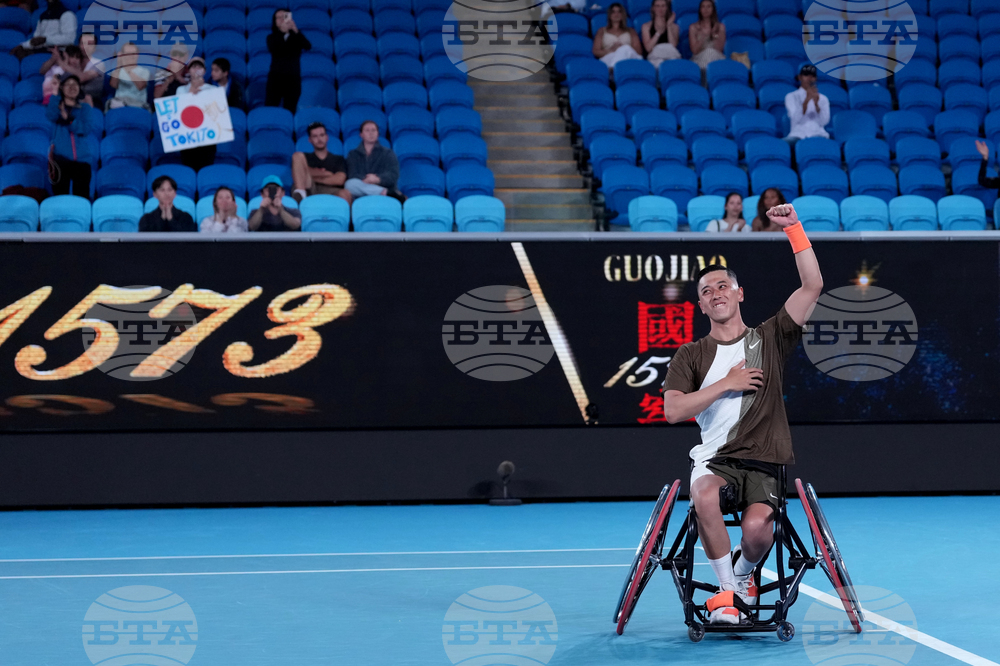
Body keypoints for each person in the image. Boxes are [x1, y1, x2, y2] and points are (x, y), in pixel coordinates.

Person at [661, 202, 823, 625]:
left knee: (756, 533)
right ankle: (728, 594)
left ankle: (743, 572)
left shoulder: (770, 338)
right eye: (706, 292)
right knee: (704, 495)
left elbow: (812, 286)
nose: (715, 294)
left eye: (722, 286)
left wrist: (794, 230)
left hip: (766, 462)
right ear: (701, 306)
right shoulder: (691, 354)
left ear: (739, 293)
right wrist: (725, 385)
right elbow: (674, 409)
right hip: (715, 461)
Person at [47, 75, 93, 197]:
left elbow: (84, 129)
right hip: (61, 159)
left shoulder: (85, 108)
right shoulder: (57, 106)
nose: (72, 87)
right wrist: (55, 93)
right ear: (62, 87)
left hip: (82, 160)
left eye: (75, 84)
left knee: (82, 198)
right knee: (60, 197)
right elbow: (51, 115)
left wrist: (68, 119)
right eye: (68, 84)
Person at [292, 122, 352, 205]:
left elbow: (339, 180)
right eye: (315, 136)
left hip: (331, 190)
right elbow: (297, 174)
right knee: (297, 155)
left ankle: (343, 218)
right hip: (309, 187)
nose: (319, 139)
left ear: (327, 137)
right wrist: (326, 174)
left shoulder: (338, 159)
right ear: (310, 140)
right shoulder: (304, 158)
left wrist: (312, 174)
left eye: (322, 135)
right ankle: (301, 196)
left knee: (345, 194)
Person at [175, 57, 217, 172]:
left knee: (206, 169)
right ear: (189, 71)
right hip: (188, 137)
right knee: (189, 169)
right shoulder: (181, 90)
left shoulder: (213, 90)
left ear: (204, 71)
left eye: (199, 66)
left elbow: (215, 113)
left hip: (207, 138)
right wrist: (193, 89)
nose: (197, 69)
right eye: (194, 67)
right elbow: (180, 110)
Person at [345, 121, 404, 202]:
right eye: (367, 130)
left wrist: (377, 179)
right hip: (361, 192)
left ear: (378, 133)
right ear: (361, 134)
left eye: (373, 130)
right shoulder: (353, 154)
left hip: (382, 188)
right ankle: (384, 192)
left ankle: (382, 192)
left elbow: (393, 175)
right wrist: (368, 180)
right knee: (349, 184)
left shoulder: (388, 153)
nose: (371, 133)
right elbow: (353, 174)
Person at [266, 9, 311, 113]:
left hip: (293, 79)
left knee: (290, 109)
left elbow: (308, 46)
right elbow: (277, 50)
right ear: (275, 21)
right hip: (276, 78)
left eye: (284, 16)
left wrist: (295, 30)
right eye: (278, 17)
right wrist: (283, 32)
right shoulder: (271, 37)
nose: (282, 19)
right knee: (270, 107)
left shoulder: (297, 37)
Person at [11, 0, 76, 59]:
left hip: (59, 52)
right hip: (40, 50)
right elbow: (36, 39)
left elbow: (69, 39)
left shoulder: (67, 14)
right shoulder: (43, 16)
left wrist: (45, 39)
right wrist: (23, 45)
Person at [784, 64, 830, 145]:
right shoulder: (791, 96)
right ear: (800, 77)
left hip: (818, 134)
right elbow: (795, 119)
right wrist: (806, 101)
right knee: (780, 145)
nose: (809, 79)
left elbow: (824, 122)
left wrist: (816, 105)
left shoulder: (823, 98)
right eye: (806, 75)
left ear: (815, 79)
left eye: (812, 76)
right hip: (797, 135)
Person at [592, 3, 643, 70]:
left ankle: (614, 70)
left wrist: (621, 48)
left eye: (619, 12)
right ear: (609, 15)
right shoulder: (601, 31)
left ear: (623, 15)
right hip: (609, 57)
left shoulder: (631, 31)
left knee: (626, 48)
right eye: (613, 12)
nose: (616, 14)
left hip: (628, 58)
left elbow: (638, 51)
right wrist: (611, 50)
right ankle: (617, 70)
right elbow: (596, 51)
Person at [107, 43, 150, 110]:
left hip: (138, 106)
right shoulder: (117, 71)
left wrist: (128, 69)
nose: (131, 56)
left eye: (133, 53)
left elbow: (140, 86)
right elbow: (113, 85)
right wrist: (118, 65)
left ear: (137, 55)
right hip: (119, 105)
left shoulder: (145, 71)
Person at [641, 0, 680, 69]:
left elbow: (673, 45)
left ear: (667, 8)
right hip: (655, 57)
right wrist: (658, 33)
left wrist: (668, 26)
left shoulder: (674, 27)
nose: (660, 9)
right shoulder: (646, 26)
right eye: (657, 6)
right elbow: (648, 48)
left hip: (671, 55)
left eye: (663, 6)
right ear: (653, 8)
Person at [689, 0, 725, 71]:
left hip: (716, 56)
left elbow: (719, 49)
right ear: (700, 10)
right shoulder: (694, 27)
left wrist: (714, 35)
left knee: (711, 52)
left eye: (708, 6)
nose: (706, 9)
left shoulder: (720, 27)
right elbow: (695, 51)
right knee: (708, 52)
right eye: (703, 7)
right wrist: (703, 37)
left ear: (713, 9)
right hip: (699, 57)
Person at [77, 34, 106, 110]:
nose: (85, 47)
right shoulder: (73, 62)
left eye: (89, 44)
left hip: (93, 100)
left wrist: (63, 64)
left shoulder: (99, 64)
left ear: (95, 48)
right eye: (82, 43)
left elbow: (81, 78)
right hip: (72, 98)